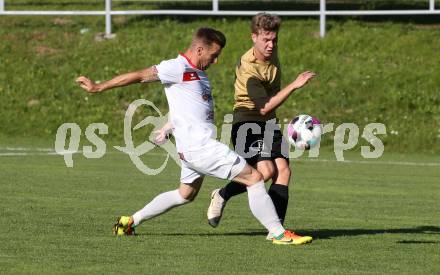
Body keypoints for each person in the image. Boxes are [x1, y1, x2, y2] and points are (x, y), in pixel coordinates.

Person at [76, 27, 302, 245]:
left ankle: (130, 221)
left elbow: (186, 107)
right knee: (254, 178)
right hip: (200, 147)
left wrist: (169, 125)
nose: (215, 61)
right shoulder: (176, 67)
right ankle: (277, 233)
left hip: (190, 149)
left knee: (185, 194)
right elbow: (138, 76)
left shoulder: (197, 74)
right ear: (200, 50)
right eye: (213, 56)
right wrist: (98, 87)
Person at [206, 13, 315, 243]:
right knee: (264, 172)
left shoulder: (272, 52)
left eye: (274, 40)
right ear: (253, 37)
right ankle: (222, 194)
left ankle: (277, 231)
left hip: (269, 123)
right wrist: (295, 84)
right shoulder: (249, 68)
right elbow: (263, 107)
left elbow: (268, 110)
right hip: (246, 120)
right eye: (265, 39)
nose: (271, 45)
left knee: (283, 171)